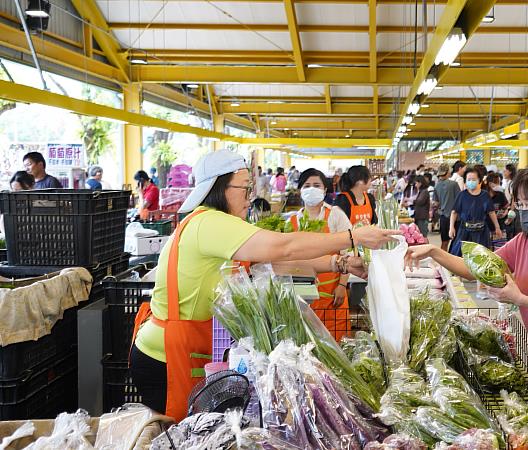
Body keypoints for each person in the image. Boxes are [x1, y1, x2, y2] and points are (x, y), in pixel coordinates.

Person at [129, 150, 397, 419]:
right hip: (163, 357)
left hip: (187, 347)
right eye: (245, 189)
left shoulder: (218, 225)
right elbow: (284, 248)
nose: (250, 198)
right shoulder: (209, 222)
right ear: (218, 186)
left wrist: (338, 264)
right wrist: (352, 236)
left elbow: (268, 265)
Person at [406, 161, 528, 409]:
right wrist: (434, 252)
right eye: (520, 204)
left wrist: (520, 299)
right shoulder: (525, 240)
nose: (524, 211)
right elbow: (473, 270)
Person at [290, 168, 354, 341]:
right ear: (300, 190)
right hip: (302, 296)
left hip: (332, 294)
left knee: (335, 342)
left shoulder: (335, 215)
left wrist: (342, 285)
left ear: (325, 190)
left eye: (317, 185)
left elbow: (348, 252)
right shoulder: (293, 220)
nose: (312, 189)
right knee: (308, 343)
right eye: (307, 185)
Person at [448, 167, 503, 256]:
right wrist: (451, 228)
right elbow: (454, 212)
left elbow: (491, 212)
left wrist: (497, 227)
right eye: (468, 179)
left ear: (479, 181)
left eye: (473, 179)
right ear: (465, 181)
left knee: (481, 256)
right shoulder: (462, 195)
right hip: (464, 232)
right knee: (460, 255)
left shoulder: (485, 195)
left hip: (481, 232)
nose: (471, 181)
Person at [433, 163, 461, 251]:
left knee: (444, 242)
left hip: (443, 217)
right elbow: (460, 200)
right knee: (456, 241)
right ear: (447, 172)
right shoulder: (454, 184)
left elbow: (436, 203)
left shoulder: (437, 186)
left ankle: (442, 262)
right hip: (455, 218)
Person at [486, 172, 510, 239]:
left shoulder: (500, 194)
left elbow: (506, 207)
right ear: (490, 184)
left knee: (499, 247)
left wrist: (504, 214)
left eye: (499, 183)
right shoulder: (483, 195)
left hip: (499, 227)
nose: (499, 185)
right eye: (497, 183)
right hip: (486, 228)